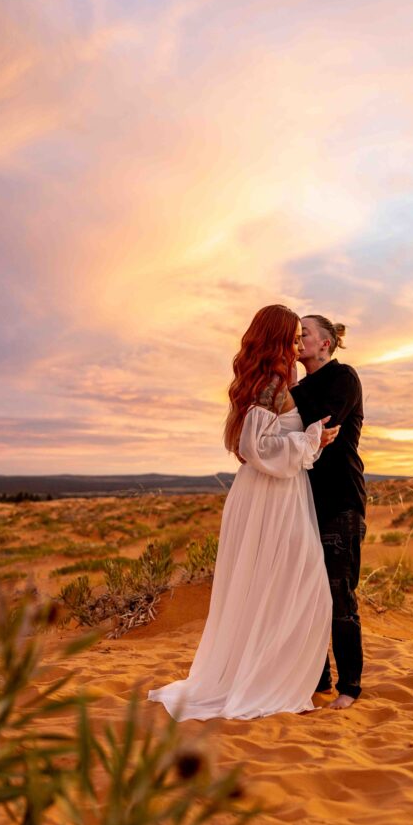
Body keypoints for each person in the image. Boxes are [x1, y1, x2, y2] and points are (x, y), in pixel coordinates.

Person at [147, 305, 339, 721]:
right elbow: (258, 448)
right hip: (272, 495)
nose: (295, 343)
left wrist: (307, 440)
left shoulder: (266, 378)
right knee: (301, 587)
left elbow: (258, 442)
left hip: (273, 492)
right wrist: (311, 438)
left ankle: (264, 676)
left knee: (276, 587)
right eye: (291, 336)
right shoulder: (272, 381)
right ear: (276, 337)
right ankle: (265, 685)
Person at [291, 315, 366, 710]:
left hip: (341, 502)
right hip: (302, 504)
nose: (297, 340)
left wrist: (284, 391)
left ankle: (349, 687)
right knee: (307, 595)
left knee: (339, 596)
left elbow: (321, 424)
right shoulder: (298, 386)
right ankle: (317, 679)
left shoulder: (343, 377)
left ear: (326, 343)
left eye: (303, 334)